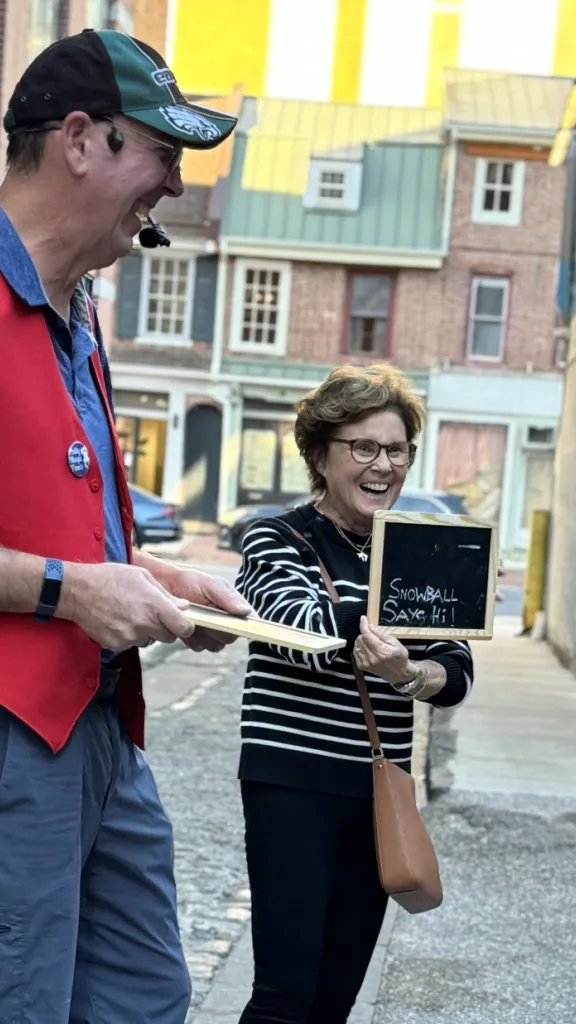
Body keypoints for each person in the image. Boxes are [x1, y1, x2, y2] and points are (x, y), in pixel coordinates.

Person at [0, 28, 251, 1024]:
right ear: (79, 140)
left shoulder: (81, 312)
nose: (176, 187)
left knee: (146, 999)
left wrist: (154, 577)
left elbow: (61, 526)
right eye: (162, 153)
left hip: (104, 730)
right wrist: (72, 592)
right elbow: (60, 570)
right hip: (17, 734)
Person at [235, 363, 476, 1023]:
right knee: (286, 994)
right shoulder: (276, 536)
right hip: (293, 785)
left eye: (396, 449)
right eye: (363, 447)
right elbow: (296, 630)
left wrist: (409, 673)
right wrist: (414, 600)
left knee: (335, 997)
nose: (383, 464)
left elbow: (453, 668)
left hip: (377, 792)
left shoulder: (415, 549)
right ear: (320, 454)